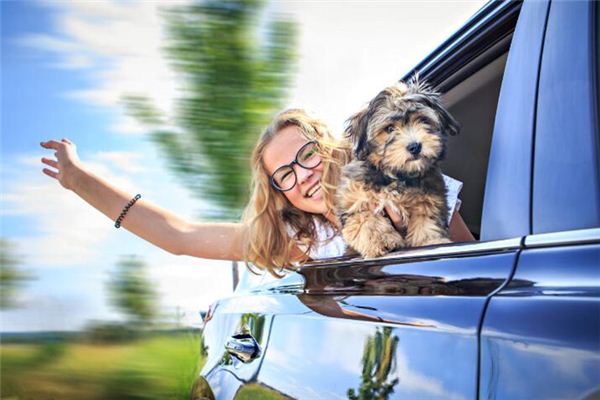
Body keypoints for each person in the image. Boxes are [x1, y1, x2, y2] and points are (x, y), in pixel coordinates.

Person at [40, 109, 474, 277]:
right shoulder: (302, 245)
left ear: (329, 150)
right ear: (281, 194)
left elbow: (482, 265)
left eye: (306, 155)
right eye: (283, 174)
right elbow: (181, 235)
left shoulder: (406, 181)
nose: (301, 175)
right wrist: (79, 180)